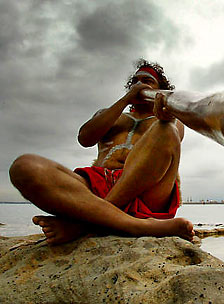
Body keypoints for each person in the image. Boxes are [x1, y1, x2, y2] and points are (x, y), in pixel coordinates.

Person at [9, 60, 194, 244]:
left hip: (148, 191)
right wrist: (125, 100)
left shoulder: (169, 118)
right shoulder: (111, 114)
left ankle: (84, 225)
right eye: (135, 81)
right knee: (25, 167)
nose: (140, 84)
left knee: (166, 130)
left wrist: (165, 114)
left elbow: (173, 138)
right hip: (97, 187)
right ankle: (136, 225)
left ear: (160, 89)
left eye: (147, 81)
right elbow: (85, 138)